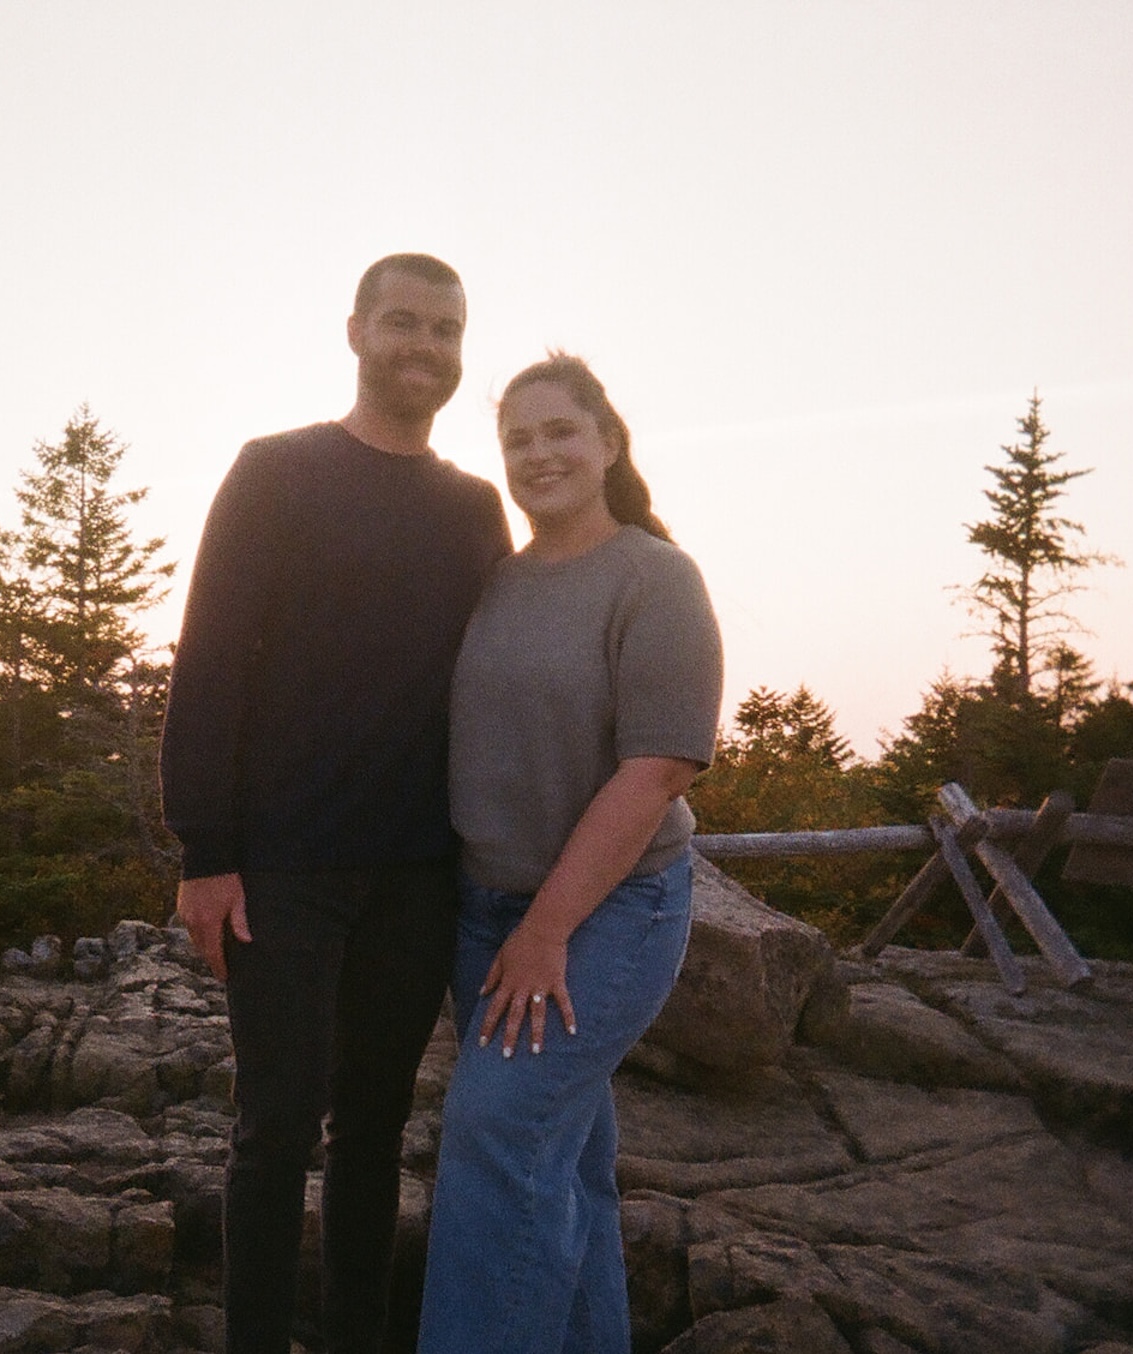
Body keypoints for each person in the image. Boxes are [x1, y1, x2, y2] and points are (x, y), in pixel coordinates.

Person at [159, 253, 513, 1354]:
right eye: (403, 323)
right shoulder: (276, 473)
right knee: (272, 1130)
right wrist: (204, 852)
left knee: (376, 1132)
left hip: (417, 872)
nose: (425, 347)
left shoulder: (472, 507)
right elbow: (209, 657)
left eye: (446, 330)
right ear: (355, 331)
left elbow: (498, 675)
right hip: (283, 871)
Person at [417, 354, 723, 1354]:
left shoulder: (655, 576)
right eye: (518, 438)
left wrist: (549, 927)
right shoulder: (496, 580)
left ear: (608, 441)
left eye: (561, 432)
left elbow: (656, 770)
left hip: (608, 915)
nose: (539, 454)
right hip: (485, 912)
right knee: (566, 1163)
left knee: (495, 1138)